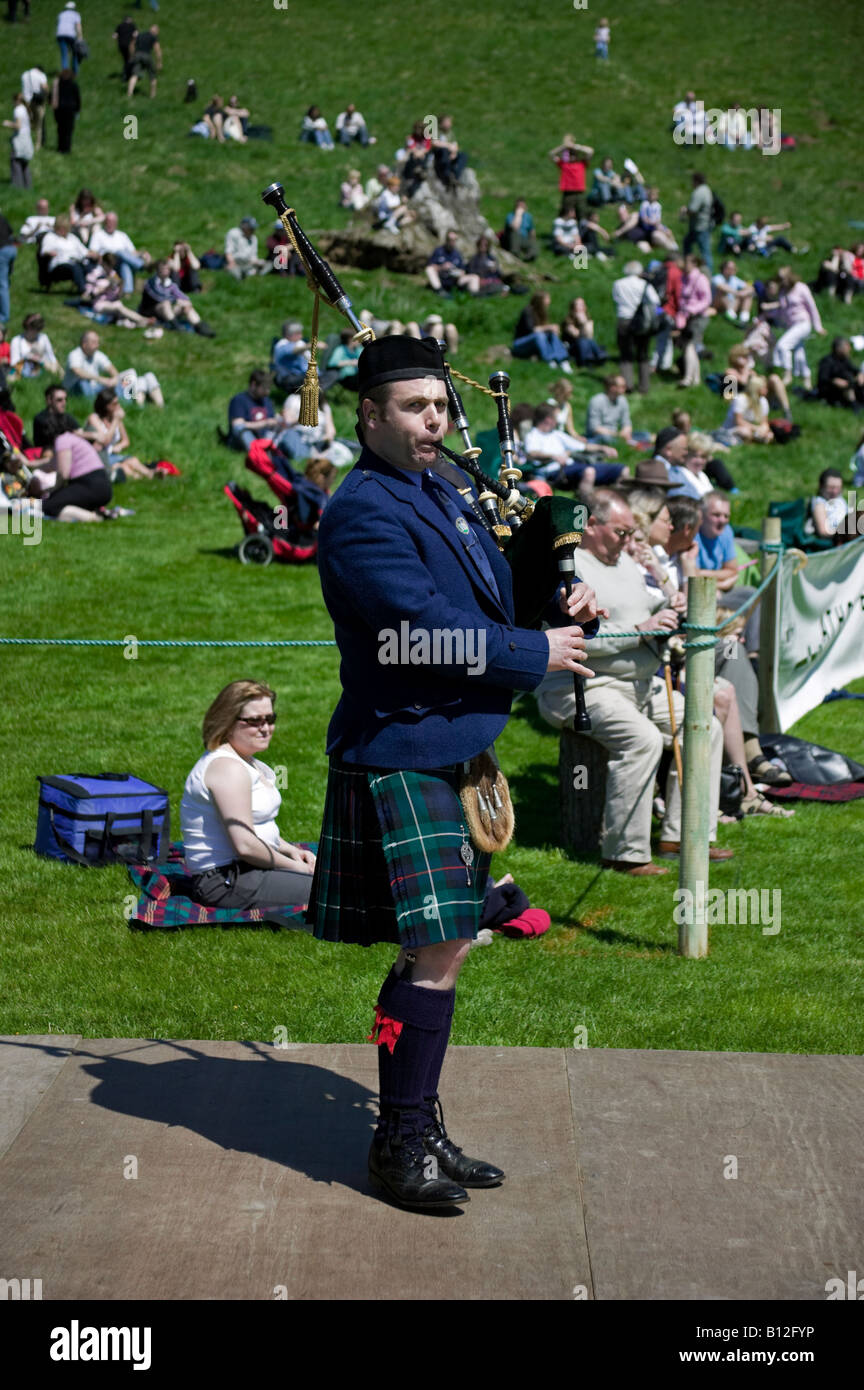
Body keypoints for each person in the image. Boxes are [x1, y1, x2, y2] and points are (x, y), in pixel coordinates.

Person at [305, 333, 601, 1209]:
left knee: (446, 948)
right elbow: (419, 630)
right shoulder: (363, 511)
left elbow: (489, 588)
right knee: (435, 951)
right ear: (369, 415)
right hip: (402, 746)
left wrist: (554, 600)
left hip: (454, 745)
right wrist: (532, 652)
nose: (434, 419)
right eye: (413, 407)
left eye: (440, 405)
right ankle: (399, 1145)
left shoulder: (448, 487)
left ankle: (417, 1123)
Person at [536, 488, 731, 874]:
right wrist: (641, 629)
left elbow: (642, 610)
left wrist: (666, 608)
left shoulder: (622, 562)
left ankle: (685, 835)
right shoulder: (567, 567)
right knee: (641, 739)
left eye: (630, 534)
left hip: (640, 685)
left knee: (705, 728)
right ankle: (624, 852)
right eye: (622, 533)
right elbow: (577, 641)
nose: (629, 542)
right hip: (585, 688)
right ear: (591, 525)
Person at [181, 681, 316, 917]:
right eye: (255, 721)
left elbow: (256, 827)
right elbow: (245, 845)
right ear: (227, 721)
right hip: (225, 881)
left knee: (340, 879)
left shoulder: (245, 761)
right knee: (334, 892)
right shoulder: (227, 768)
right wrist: (298, 869)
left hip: (247, 868)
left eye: (270, 719)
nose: (265, 728)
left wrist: (291, 850)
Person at [523, 403, 624, 494]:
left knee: (621, 470)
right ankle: (587, 507)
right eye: (556, 417)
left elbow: (583, 446)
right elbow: (532, 453)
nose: (558, 421)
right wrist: (553, 456)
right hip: (555, 472)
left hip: (573, 466)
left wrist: (603, 448)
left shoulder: (557, 434)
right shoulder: (533, 435)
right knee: (589, 472)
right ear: (548, 419)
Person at [64, 330, 164, 406]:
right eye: (94, 342)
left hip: (98, 388)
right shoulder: (75, 354)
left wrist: (114, 379)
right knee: (83, 383)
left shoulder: (97, 355)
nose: (97, 345)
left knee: (140, 375)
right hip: (81, 390)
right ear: (84, 344)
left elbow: (111, 369)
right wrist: (101, 379)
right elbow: (77, 371)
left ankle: (155, 405)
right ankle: (134, 402)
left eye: (98, 342)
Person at [41, 429, 113, 522]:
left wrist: (53, 491)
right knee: (58, 501)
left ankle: (94, 517)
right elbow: (50, 464)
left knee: (49, 506)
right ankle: (96, 512)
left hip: (90, 485)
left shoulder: (62, 440)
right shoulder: (73, 439)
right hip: (103, 486)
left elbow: (64, 474)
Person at [771, 266, 825, 388]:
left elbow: (812, 307)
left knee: (783, 345)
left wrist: (818, 326)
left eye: (784, 279)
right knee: (799, 353)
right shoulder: (783, 292)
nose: (783, 282)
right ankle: (807, 379)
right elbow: (781, 311)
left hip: (803, 323)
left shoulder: (801, 288)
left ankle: (787, 374)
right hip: (791, 326)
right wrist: (766, 315)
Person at [612, 261, 660, 395]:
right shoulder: (644, 284)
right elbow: (655, 301)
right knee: (643, 354)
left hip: (624, 319)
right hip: (642, 321)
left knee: (625, 354)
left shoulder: (618, 284)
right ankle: (644, 386)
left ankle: (627, 384)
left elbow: (616, 299)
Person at [86, 387, 152, 480]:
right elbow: (105, 441)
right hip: (100, 457)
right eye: (114, 404)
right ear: (106, 406)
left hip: (112, 454)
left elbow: (126, 441)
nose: (118, 406)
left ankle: (151, 474)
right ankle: (142, 479)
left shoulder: (115, 418)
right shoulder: (94, 418)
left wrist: (119, 446)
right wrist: (116, 420)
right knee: (122, 466)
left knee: (133, 460)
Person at [138, 258, 214, 334]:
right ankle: (177, 328)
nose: (165, 271)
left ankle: (200, 327)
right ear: (157, 270)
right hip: (151, 312)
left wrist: (186, 303)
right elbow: (159, 297)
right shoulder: (150, 283)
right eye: (163, 269)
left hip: (166, 312)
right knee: (166, 304)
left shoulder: (169, 283)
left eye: (167, 269)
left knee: (185, 305)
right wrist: (176, 300)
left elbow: (181, 295)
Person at [89, 211, 152, 294]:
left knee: (124, 263)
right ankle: (142, 266)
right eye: (108, 222)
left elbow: (132, 252)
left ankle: (127, 292)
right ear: (105, 222)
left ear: (116, 223)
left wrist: (142, 254)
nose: (110, 224)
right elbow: (92, 252)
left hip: (121, 263)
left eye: (113, 222)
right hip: (107, 264)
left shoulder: (122, 236)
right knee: (119, 252)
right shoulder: (98, 235)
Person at [676, 253, 714, 388]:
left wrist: (693, 309)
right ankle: (695, 379)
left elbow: (707, 300)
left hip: (698, 317)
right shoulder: (684, 278)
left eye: (687, 262)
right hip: (686, 317)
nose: (684, 265)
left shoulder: (700, 279)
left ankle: (688, 377)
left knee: (689, 346)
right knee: (689, 347)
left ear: (694, 264)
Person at [585, 374, 652, 448]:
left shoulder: (622, 400)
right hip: (599, 435)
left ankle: (628, 443)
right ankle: (631, 444)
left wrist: (626, 432)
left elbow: (626, 421)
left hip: (617, 434)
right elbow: (594, 428)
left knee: (645, 435)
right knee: (605, 438)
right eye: (622, 386)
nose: (625, 388)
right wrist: (617, 434)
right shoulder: (597, 401)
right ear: (612, 388)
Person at [511, 292, 571, 370]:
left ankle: (562, 360)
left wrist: (552, 331)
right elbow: (532, 330)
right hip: (520, 344)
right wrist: (549, 327)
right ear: (540, 300)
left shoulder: (542, 312)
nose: (549, 301)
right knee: (539, 335)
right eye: (547, 299)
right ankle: (549, 360)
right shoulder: (528, 311)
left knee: (551, 334)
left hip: (534, 342)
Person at [227, 368, 280, 453]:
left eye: (269, 389)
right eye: (264, 388)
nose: (267, 392)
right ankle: (257, 452)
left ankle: (271, 450)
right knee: (240, 428)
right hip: (243, 440)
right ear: (253, 385)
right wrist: (264, 423)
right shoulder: (239, 400)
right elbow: (237, 424)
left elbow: (271, 423)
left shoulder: (267, 401)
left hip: (263, 438)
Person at [39, 215, 90, 292]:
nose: (62, 230)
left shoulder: (72, 237)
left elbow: (84, 251)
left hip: (77, 261)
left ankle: (96, 289)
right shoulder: (50, 237)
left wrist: (95, 255)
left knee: (90, 266)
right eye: (60, 228)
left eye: (64, 228)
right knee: (75, 267)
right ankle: (83, 290)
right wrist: (49, 253)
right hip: (60, 264)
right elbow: (44, 251)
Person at [549, 135, 594, 219]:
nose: (572, 156)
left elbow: (590, 151)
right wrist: (564, 147)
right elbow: (551, 154)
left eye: (574, 154)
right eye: (570, 154)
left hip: (579, 193)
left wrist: (575, 146)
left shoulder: (582, 164)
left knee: (582, 213)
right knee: (565, 213)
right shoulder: (564, 164)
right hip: (568, 193)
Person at [425, 230, 479, 297]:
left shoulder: (457, 254)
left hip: (454, 280)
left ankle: (474, 296)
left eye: (454, 240)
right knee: (429, 269)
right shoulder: (438, 251)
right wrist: (442, 267)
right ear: (446, 240)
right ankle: (439, 290)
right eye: (450, 239)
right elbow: (430, 265)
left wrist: (455, 272)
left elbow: (463, 271)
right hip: (441, 278)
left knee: (474, 277)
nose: (452, 242)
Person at [816, 337, 864, 409]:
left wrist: (860, 374)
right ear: (839, 349)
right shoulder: (827, 361)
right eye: (847, 347)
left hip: (846, 384)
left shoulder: (844, 359)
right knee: (848, 386)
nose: (849, 349)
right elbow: (822, 379)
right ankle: (854, 405)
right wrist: (833, 381)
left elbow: (854, 369)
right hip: (829, 390)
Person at [9, 313, 61, 379]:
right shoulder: (16, 340)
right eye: (34, 328)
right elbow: (14, 362)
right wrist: (29, 357)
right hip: (24, 367)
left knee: (53, 366)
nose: (36, 332)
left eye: (38, 329)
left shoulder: (43, 337)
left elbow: (51, 357)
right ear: (28, 327)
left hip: (42, 365)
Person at [806, 468, 851, 542]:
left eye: (838, 488)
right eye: (831, 487)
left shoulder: (840, 500)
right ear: (821, 487)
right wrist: (847, 533)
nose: (835, 491)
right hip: (834, 542)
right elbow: (823, 532)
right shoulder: (820, 503)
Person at [32, 383, 80, 451]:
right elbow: (56, 438)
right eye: (59, 400)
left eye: (65, 399)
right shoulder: (41, 419)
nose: (64, 403)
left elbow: (79, 431)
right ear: (49, 400)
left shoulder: (66, 417)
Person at [560, 297, 607, 366]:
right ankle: (586, 361)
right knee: (582, 341)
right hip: (572, 347)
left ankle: (598, 357)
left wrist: (585, 322)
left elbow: (590, 336)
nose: (581, 307)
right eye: (578, 305)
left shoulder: (588, 320)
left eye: (582, 305)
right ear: (573, 308)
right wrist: (583, 324)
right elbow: (576, 335)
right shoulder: (568, 321)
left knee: (589, 341)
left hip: (585, 345)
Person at [680, 172, 713, 270]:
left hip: (699, 226)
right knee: (688, 243)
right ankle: (689, 264)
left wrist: (685, 211)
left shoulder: (699, 192)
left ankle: (707, 272)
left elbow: (693, 210)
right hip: (704, 224)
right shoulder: (707, 189)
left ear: (696, 181)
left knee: (704, 252)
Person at [5, 92, 34, 189]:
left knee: (16, 161)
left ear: (16, 100)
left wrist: (8, 123)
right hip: (26, 138)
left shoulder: (18, 110)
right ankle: (27, 185)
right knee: (24, 162)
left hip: (19, 138)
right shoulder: (25, 109)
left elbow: (18, 126)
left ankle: (17, 185)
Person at [126, 24, 161, 99]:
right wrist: (159, 62)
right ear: (156, 31)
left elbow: (131, 44)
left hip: (137, 55)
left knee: (135, 74)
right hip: (147, 55)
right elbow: (157, 49)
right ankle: (153, 95)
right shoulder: (153, 37)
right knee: (152, 75)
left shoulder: (140, 35)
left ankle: (129, 93)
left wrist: (132, 55)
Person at [51, 68, 80, 153]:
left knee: (60, 129)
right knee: (68, 130)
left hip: (59, 110)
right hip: (70, 110)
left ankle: (60, 147)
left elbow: (52, 96)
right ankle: (67, 148)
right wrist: (78, 109)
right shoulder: (74, 85)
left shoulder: (58, 85)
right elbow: (77, 98)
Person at [0, 211, 17, 328]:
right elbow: (11, 232)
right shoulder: (2, 218)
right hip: (12, 249)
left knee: (2, 284)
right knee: (5, 280)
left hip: (2, 251)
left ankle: (4, 316)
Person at [56, 2, 83, 74]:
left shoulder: (61, 14)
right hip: (71, 35)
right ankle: (75, 71)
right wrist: (80, 37)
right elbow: (78, 26)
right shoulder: (76, 15)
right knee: (75, 53)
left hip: (60, 35)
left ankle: (65, 73)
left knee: (64, 54)